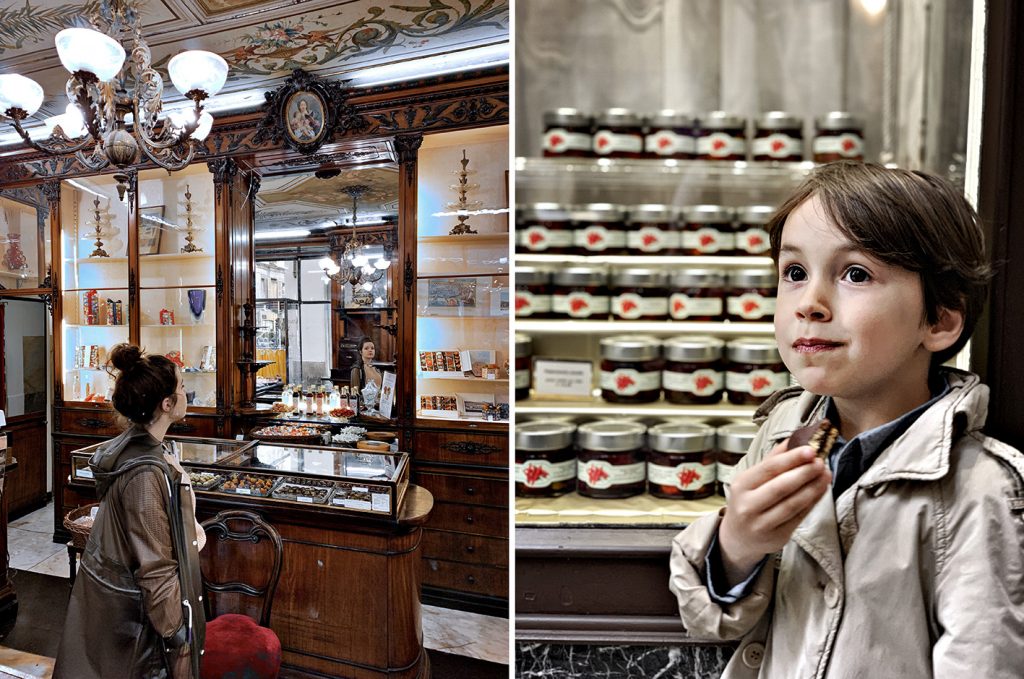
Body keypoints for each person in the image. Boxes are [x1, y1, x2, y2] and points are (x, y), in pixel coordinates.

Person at [669, 162, 1024, 678]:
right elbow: (707, 622)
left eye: (855, 274)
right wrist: (736, 547)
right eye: (793, 273)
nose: (809, 303)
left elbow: (984, 661)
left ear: (941, 320)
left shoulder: (979, 490)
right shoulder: (782, 430)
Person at [54, 344, 206, 679]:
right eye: (181, 388)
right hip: (134, 624)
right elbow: (155, 567)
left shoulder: (141, 449)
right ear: (166, 405)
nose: (185, 393)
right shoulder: (144, 474)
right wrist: (178, 636)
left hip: (118, 613)